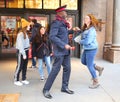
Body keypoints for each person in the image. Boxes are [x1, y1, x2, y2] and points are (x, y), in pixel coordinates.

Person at [43, 5, 74, 99]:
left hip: (66, 52)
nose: (66, 13)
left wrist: (72, 30)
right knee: (55, 70)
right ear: (60, 13)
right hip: (60, 51)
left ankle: (64, 87)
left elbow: (63, 33)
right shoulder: (56, 23)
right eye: (64, 12)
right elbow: (52, 36)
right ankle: (46, 89)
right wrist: (64, 45)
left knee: (67, 69)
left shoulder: (63, 23)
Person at [79, 14, 104, 89]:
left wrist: (80, 41)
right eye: (84, 18)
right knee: (83, 61)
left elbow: (88, 41)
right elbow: (84, 35)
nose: (85, 19)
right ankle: (98, 68)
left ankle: (96, 81)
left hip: (91, 49)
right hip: (87, 48)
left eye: (86, 18)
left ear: (90, 20)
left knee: (89, 65)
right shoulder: (86, 28)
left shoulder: (92, 29)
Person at [14, 18, 30, 86]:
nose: (29, 27)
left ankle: (23, 79)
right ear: (25, 26)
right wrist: (23, 54)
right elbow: (20, 45)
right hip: (21, 52)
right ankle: (16, 80)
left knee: (25, 66)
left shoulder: (25, 33)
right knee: (20, 66)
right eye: (28, 26)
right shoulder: (20, 34)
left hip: (26, 51)